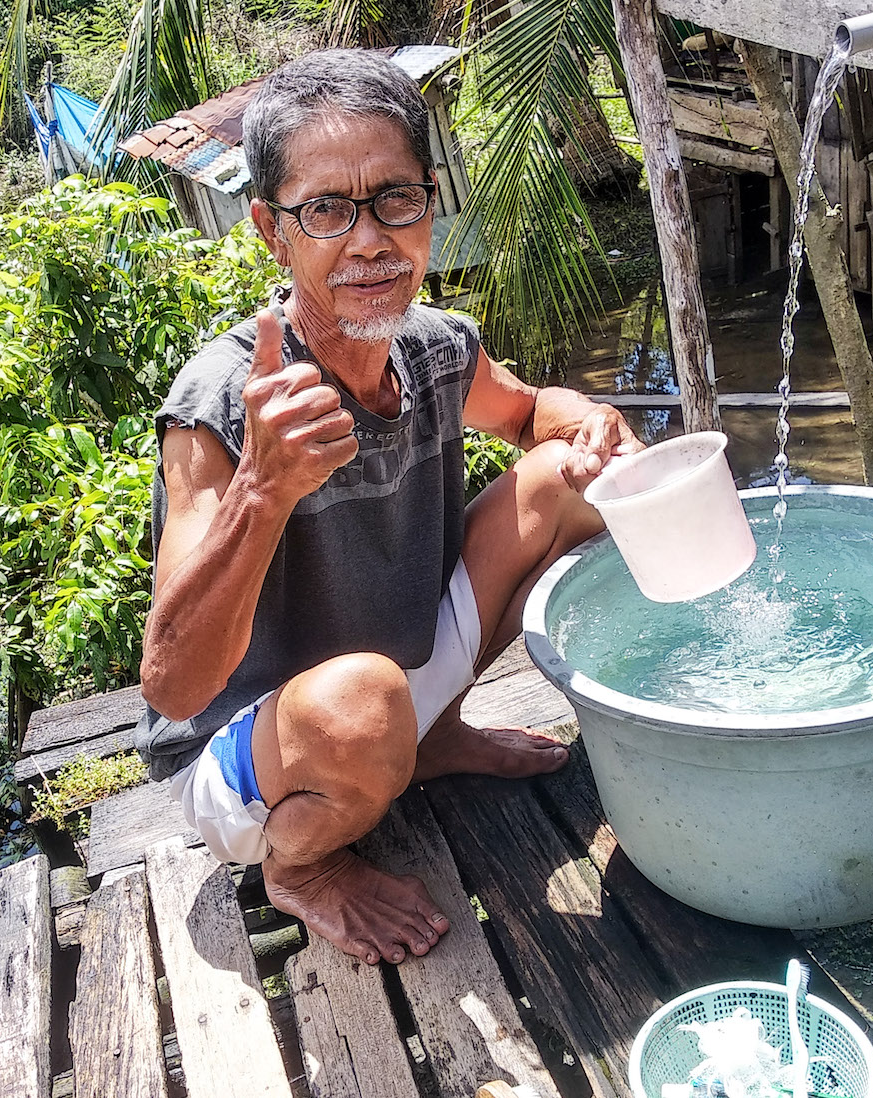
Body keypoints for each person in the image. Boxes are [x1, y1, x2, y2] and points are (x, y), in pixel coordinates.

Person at [137, 48, 643, 966]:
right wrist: (262, 489)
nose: (369, 240)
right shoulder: (219, 402)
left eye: (394, 202)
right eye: (326, 210)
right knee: (359, 700)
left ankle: (431, 733)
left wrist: (592, 421)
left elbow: (530, 415)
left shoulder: (435, 347)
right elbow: (173, 687)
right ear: (270, 230)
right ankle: (304, 870)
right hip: (249, 756)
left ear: (429, 205)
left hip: (384, 687)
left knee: (571, 482)